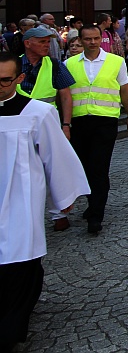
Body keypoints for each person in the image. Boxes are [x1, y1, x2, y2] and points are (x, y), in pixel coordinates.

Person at [0, 52, 90, 353]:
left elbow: (56, 155)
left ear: (19, 79)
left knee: (20, 262)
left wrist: (64, 197)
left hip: (20, 199)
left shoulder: (37, 113)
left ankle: (9, 332)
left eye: (5, 80)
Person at [64, 25, 128, 234]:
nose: (93, 42)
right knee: (85, 167)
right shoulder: (69, 64)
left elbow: (125, 89)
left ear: (101, 39)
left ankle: (96, 214)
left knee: (99, 167)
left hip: (105, 120)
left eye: (96, 38)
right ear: (81, 40)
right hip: (79, 120)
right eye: (88, 39)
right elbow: (65, 95)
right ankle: (92, 203)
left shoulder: (115, 61)